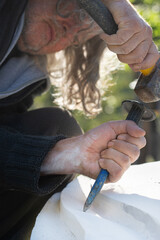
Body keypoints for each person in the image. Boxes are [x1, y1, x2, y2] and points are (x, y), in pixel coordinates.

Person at [0, 0, 159, 239]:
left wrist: (63, 153)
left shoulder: (24, 78)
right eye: (64, 6)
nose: (68, 30)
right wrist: (117, 5)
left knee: (56, 127)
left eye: (76, 38)